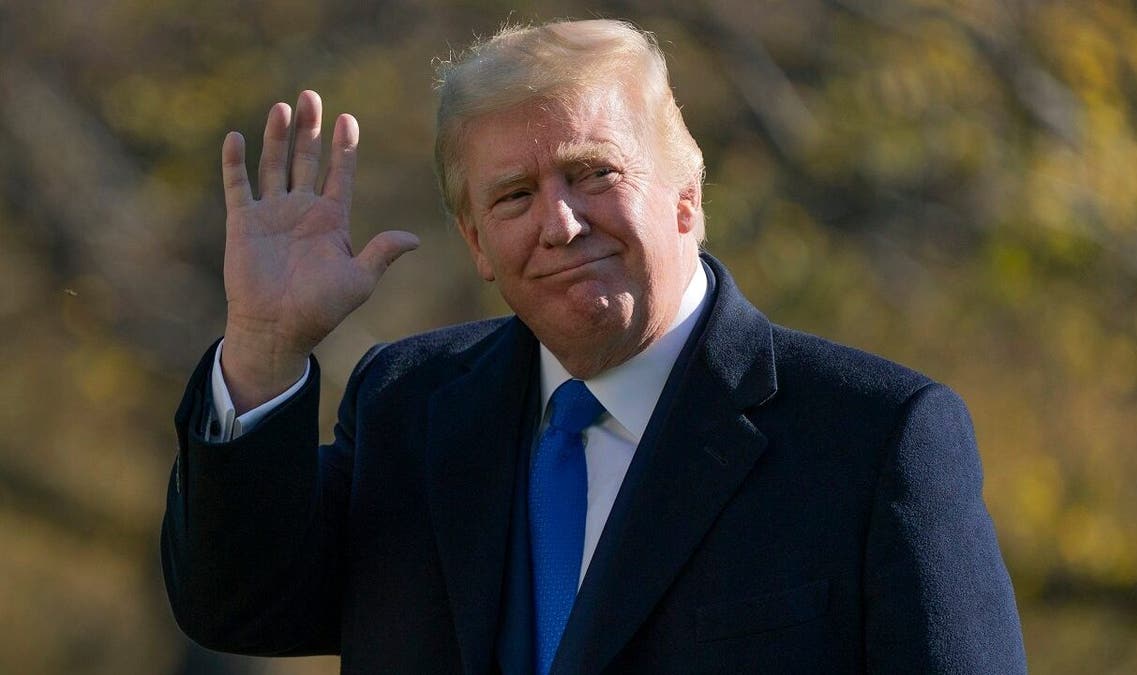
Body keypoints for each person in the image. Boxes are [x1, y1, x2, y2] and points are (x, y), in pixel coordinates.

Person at [161, 19, 1026, 674]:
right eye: (512, 197)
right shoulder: (409, 411)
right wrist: (264, 346)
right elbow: (239, 607)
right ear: (476, 246)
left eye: (592, 174)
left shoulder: (876, 439)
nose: (560, 223)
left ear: (686, 196)